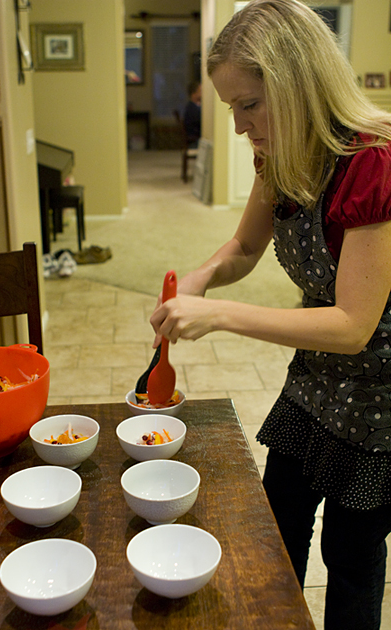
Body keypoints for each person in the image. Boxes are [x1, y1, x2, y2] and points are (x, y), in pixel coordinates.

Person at [149, 1, 391, 628]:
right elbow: (245, 247)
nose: (238, 126)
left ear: (297, 85)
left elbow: (352, 325)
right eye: (231, 107)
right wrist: (202, 277)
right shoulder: (279, 156)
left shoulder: (372, 165)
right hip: (317, 377)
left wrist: (222, 314)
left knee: (353, 551)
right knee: (277, 519)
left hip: (382, 397)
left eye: (249, 105)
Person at [183, 81, 202, 148]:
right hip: (195, 140)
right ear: (193, 94)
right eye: (200, 91)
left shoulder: (196, 107)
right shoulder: (192, 109)